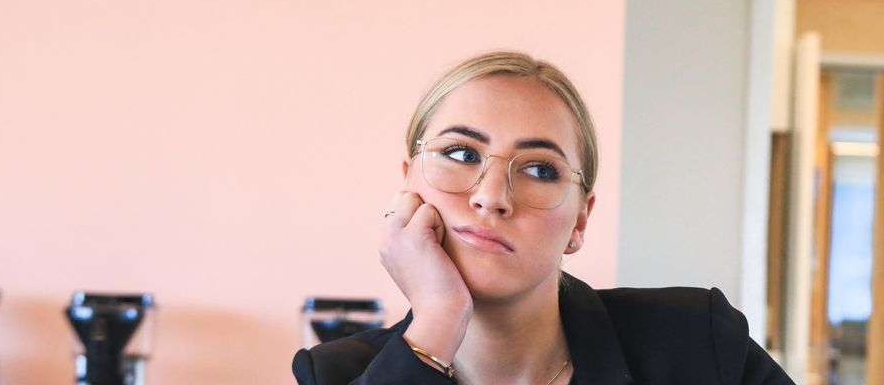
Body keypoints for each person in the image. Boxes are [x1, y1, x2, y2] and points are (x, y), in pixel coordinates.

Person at [292, 51, 793, 385]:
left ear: (580, 220)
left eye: (538, 168)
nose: (491, 197)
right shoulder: (334, 373)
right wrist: (438, 322)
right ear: (409, 184)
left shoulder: (697, 343)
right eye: (462, 153)